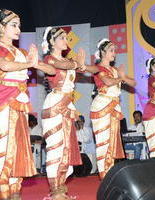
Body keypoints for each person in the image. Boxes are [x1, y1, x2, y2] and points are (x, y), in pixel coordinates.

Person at [0, 9, 55, 200]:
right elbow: (4, 66)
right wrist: (28, 64)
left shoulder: (21, 53)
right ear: (1, 28)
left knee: (18, 148)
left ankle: (15, 192)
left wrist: (36, 63)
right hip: (3, 103)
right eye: (13, 25)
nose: (18, 29)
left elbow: (51, 71)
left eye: (19, 25)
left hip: (20, 104)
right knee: (4, 149)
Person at [41, 27, 99, 200]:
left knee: (65, 148)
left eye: (67, 37)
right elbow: (62, 65)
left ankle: (60, 189)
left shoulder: (69, 60)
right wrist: (76, 63)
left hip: (67, 107)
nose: (66, 40)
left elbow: (94, 70)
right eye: (62, 37)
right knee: (55, 148)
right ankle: (55, 190)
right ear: (52, 41)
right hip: (55, 105)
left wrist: (84, 64)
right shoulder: (49, 58)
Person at [90, 38, 136, 179]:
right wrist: (121, 79)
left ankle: (109, 172)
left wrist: (122, 77)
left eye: (115, 50)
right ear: (103, 52)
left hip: (114, 107)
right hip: (102, 106)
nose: (114, 53)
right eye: (111, 50)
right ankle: (105, 175)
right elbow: (108, 82)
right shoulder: (99, 68)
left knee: (111, 141)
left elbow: (133, 82)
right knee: (103, 141)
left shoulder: (115, 70)